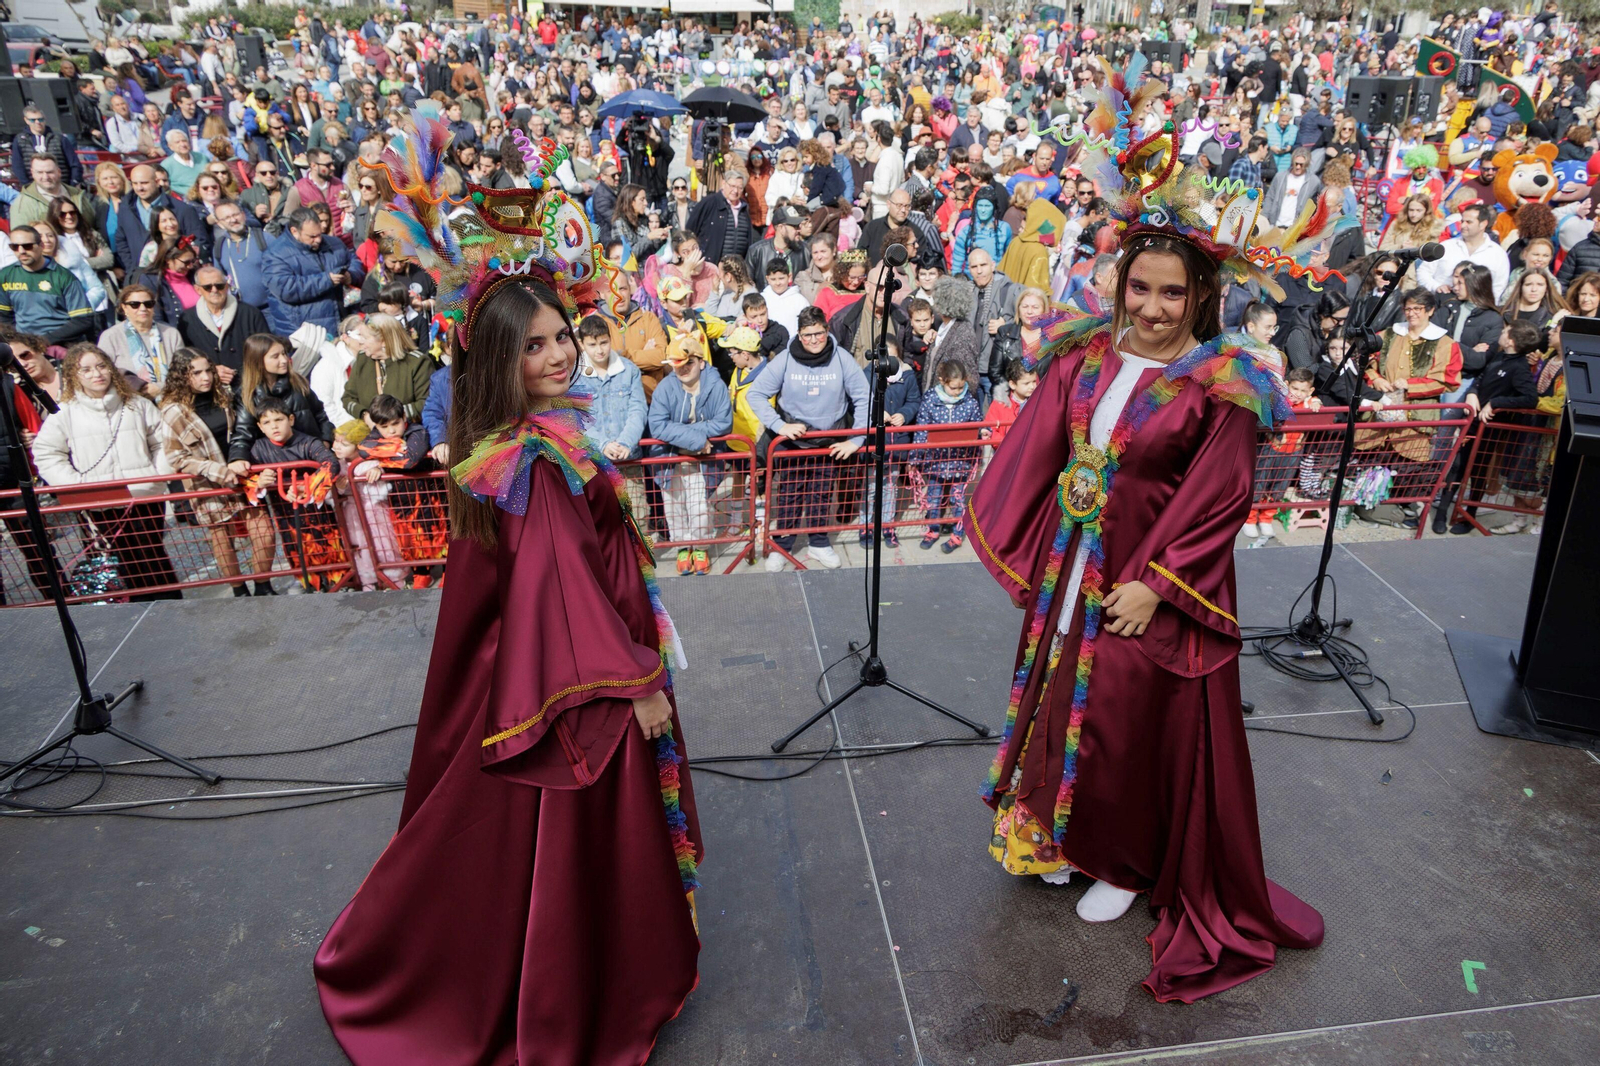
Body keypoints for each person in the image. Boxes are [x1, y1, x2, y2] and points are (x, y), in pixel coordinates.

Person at [314, 129, 703, 1060]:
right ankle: (566, 1004)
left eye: (563, 333)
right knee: (554, 852)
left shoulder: (528, 446)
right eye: (535, 346)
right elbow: (557, 589)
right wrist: (635, 679)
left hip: (549, 670)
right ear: (501, 361)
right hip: (573, 686)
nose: (562, 354)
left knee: (525, 853)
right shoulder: (527, 460)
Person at [966, 93, 1323, 1002]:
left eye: (1175, 292)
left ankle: (1123, 862)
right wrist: (1026, 542)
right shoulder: (1085, 357)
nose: (1155, 307)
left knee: (1125, 722)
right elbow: (1040, 446)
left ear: (1202, 296)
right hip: (1073, 569)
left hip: (1145, 582)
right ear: (1120, 282)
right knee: (1055, 697)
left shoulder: (1225, 385)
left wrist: (1161, 587)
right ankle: (1051, 831)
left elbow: (1219, 497)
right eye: (1141, 287)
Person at [31, 344, 182, 601]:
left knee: (153, 553)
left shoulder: (136, 404)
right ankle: (144, 610)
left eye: (101, 366)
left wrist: (158, 475)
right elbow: (46, 453)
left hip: (144, 493)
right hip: (103, 499)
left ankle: (171, 606)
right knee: (128, 557)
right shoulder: (65, 412)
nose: (96, 374)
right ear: (74, 375)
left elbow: (162, 441)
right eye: (86, 370)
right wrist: (77, 485)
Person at [749, 305, 869, 572]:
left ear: (827, 330)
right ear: (799, 335)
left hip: (829, 443)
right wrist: (779, 425)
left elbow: (864, 397)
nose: (814, 339)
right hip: (792, 444)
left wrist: (856, 439)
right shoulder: (785, 359)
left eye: (819, 333)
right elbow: (755, 394)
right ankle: (783, 547)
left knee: (821, 496)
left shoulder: (841, 358)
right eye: (807, 335)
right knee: (789, 498)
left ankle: (819, 543)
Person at [159, 347, 277, 596]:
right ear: (182, 376)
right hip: (207, 484)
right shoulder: (173, 411)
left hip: (243, 475)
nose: (206, 378)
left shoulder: (224, 395)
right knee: (223, 540)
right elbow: (176, 458)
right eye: (196, 373)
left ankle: (263, 586)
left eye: (208, 371)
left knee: (264, 532)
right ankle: (240, 591)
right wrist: (215, 470)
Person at [648, 338, 733, 576]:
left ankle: (701, 546)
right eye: (677, 364)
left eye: (689, 363)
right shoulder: (665, 387)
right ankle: (681, 545)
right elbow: (657, 425)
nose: (682, 369)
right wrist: (694, 441)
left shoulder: (716, 386)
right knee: (673, 507)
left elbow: (723, 423)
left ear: (701, 363)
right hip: (670, 460)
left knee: (699, 509)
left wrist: (682, 437)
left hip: (702, 462)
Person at [911, 358, 985, 553]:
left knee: (958, 499)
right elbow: (921, 430)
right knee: (934, 498)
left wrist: (982, 433)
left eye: (961, 387)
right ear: (942, 381)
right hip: (935, 461)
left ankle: (957, 533)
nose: (958, 392)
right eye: (953, 388)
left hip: (961, 462)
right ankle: (932, 529)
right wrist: (915, 458)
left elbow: (977, 424)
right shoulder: (930, 400)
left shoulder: (969, 401)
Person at [228, 333, 334, 465]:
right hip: (277, 463)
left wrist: (325, 440)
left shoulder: (298, 382)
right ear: (258, 360)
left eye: (284, 353)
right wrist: (238, 457)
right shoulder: (247, 394)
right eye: (275, 356)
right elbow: (244, 432)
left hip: (312, 457)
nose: (284, 360)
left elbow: (320, 414)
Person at [330, 419, 409, 591]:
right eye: (336, 441)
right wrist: (340, 488)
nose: (337, 446)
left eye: (344, 444)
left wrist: (377, 470)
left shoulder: (369, 462)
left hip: (372, 511)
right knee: (359, 546)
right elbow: (337, 492)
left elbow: (380, 487)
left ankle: (394, 579)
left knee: (382, 543)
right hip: (352, 513)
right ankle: (368, 580)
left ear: (359, 445)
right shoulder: (340, 464)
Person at [263, 207, 365, 335]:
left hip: (343, 321)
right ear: (295, 231)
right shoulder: (275, 254)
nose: (318, 239)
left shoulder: (334, 244)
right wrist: (326, 280)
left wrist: (352, 275)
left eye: (319, 234)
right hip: (305, 330)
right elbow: (285, 288)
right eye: (312, 236)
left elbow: (354, 261)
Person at [0, 226, 97, 346]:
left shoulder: (63, 277)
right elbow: (4, 317)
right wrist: (19, 340)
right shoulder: (5, 275)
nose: (21, 251)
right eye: (15, 247)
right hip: (25, 345)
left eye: (27, 246)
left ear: (41, 246)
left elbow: (83, 320)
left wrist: (45, 340)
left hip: (61, 344)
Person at [571, 314, 647, 463]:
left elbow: (638, 411)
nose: (599, 350)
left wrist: (626, 442)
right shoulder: (575, 376)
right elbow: (576, 417)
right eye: (592, 345)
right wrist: (601, 443)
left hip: (628, 458)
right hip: (594, 462)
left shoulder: (629, 370)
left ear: (610, 339)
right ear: (581, 344)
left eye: (604, 343)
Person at [180, 265, 271, 384]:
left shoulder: (250, 313)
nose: (214, 290)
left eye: (219, 285)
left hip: (248, 384)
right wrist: (211, 371)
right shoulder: (187, 319)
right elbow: (187, 358)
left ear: (227, 286)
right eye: (207, 287)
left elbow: (266, 350)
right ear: (198, 290)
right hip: (209, 387)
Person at [342, 314, 434, 424]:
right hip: (371, 432)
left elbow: (428, 403)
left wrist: (391, 418)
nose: (361, 342)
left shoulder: (417, 363)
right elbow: (348, 398)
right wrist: (365, 415)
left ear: (384, 340)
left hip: (408, 430)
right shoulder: (363, 360)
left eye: (365, 338)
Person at [97, 283, 183, 394]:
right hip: (129, 399)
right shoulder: (110, 336)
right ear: (124, 307)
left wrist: (160, 388)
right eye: (134, 305)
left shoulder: (171, 334)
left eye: (148, 304)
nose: (143, 308)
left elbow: (182, 371)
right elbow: (104, 372)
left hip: (170, 396)